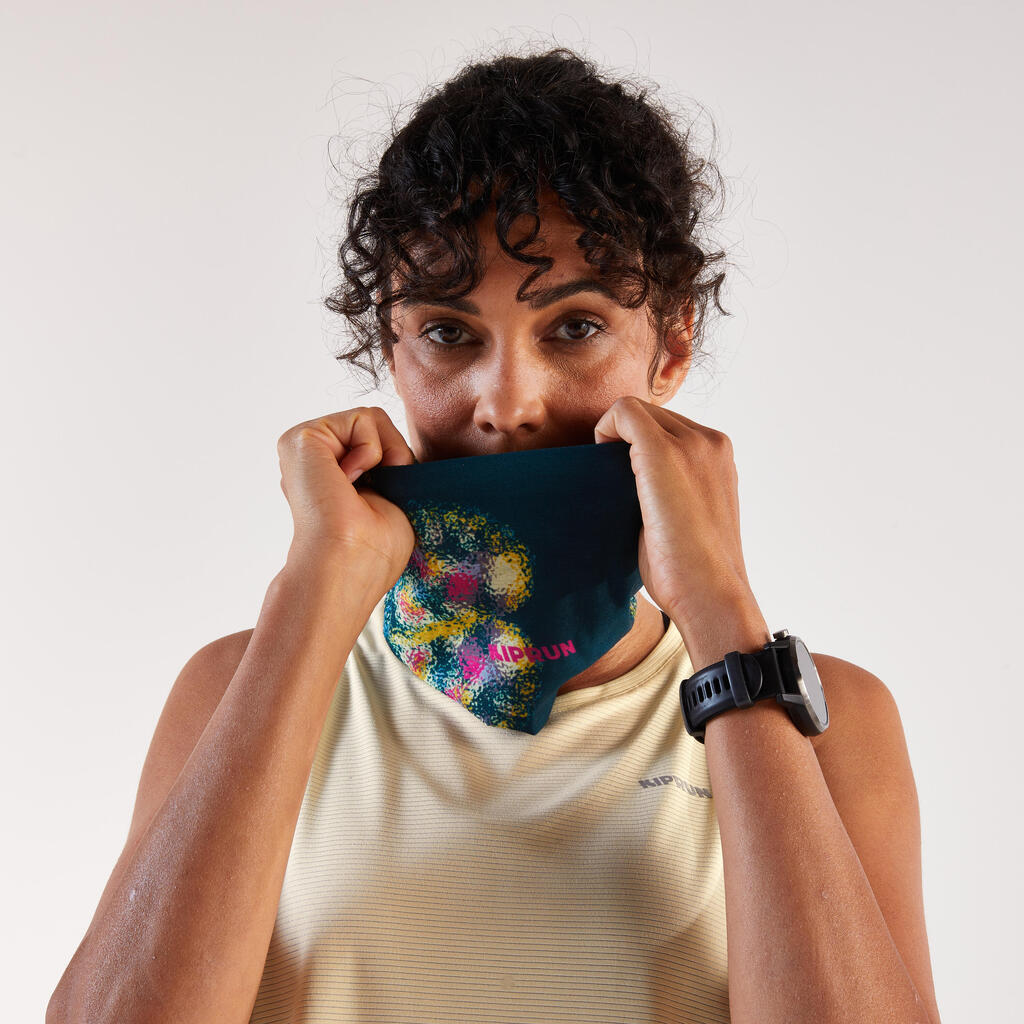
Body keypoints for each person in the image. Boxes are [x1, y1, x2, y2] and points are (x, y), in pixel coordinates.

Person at [47, 45, 942, 1024]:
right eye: (448, 332)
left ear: (673, 341)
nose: (506, 401)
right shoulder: (235, 688)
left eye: (574, 328)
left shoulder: (830, 722)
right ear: (390, 346)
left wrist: (723, 614)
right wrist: (307, 604)